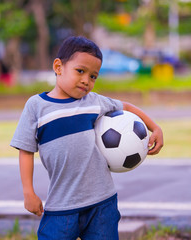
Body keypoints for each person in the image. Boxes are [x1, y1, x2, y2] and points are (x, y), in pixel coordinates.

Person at [10, 36, 163, 240]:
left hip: (102, 204)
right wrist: (28, 192)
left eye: (93, 76)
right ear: (58, 66)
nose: (86, 81)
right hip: (61, 206)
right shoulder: (36, 106)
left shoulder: (93, 102)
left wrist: (155, 127)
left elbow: (126, 107)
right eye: (80, 71)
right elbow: (25, 150)